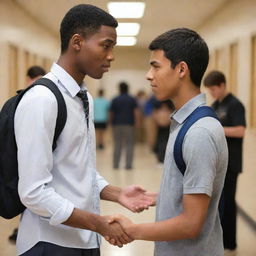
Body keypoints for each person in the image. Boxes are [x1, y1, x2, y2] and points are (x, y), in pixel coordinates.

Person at [14, 4, 154, 256]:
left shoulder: (83, 97)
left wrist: (116, 192)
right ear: (77, 42)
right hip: (50, 243)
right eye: (106, 45)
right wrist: (97, 223)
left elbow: (78, 167)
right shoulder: (42, 100)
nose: (111, 55)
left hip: (85, 239)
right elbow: (33, 192)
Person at [108, 28, 229, 256]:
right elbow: (192, 194)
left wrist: (133, 230)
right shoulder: (185, 122)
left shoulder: (199, 132)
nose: (149, 75)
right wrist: (162, 196)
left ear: (181, 69)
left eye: (156, 66)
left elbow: (191, 223)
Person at [204, 70, 246, 256]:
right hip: (217, 162)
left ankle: (230, 243)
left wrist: (217, 128)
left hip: (232, 162)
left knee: (228, 203)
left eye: (213, 89)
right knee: (217, 204)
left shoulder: (235, 105)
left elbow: (240, 131)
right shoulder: (215, 105)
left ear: (222, 85)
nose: (212, 93)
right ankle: (218, 241)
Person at [8, 65, 46, 244]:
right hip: (26, 159)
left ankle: (24, 227)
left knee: (28, 195)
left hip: (21, 159)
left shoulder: (21, 100)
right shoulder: (31, 100)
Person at [110, 81, 139, 170]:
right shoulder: (132, 99)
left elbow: (111, 113)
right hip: (129, 124)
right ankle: (128, 165)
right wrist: (137, 122)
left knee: (117, 144)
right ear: (127, 88)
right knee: (129, 144)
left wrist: (110, 123)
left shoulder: (115, 99)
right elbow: (136, 112)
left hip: (117, 124)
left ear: (119, 89)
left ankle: (116, 164)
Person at [152, 100, 175, 164]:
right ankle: (160, 158)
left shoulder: (166, 111)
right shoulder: (161, 111)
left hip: (166, 128)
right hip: (162, 128)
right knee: (161, 142)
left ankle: (163, 158)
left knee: (165, 143)